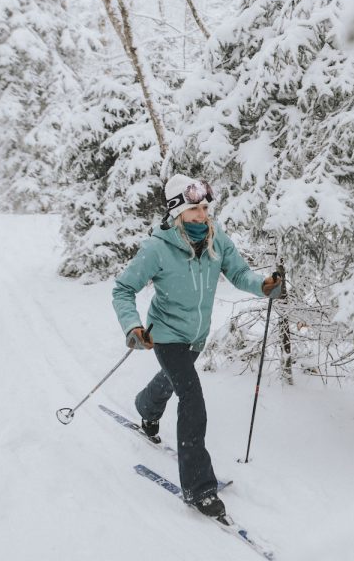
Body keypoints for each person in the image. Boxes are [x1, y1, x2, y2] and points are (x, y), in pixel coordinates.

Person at [112, 173, 281, 518]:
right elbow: (122, 289)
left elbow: (239, 273)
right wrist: (133, 326)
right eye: (195, 210)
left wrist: (261, 285)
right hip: (167, 335)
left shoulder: (217, 240)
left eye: (205, 208)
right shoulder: (157, 248)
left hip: (196, 336)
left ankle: (146, 406)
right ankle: (199, 488)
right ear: (177, 213)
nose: (203, 215)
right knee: (192, 398)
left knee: (171, 380)